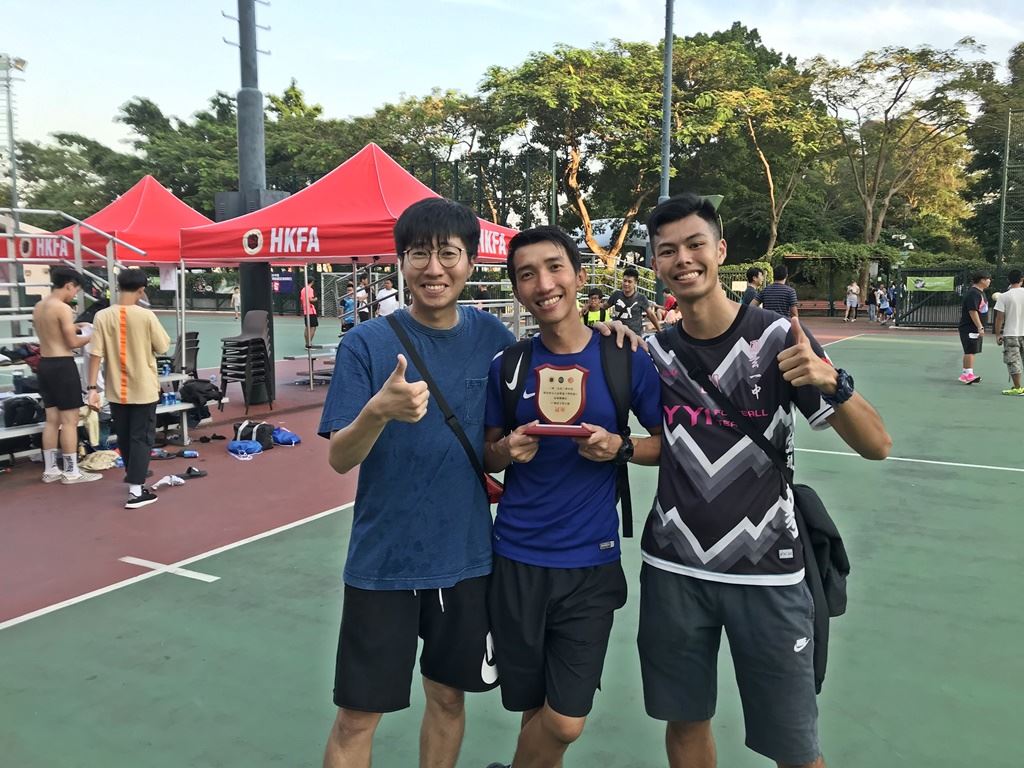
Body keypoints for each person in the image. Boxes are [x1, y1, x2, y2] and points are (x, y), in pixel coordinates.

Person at [641, 193, 891, 768]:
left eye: (695, 245)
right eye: (668, 251)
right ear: (655, 263)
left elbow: (877, 446)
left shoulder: (780, 339)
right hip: (674, 568)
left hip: (769, 572)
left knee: (795, 747)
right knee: (685, 723)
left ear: (720, 250)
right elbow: (666, 442)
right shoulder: (654, 353)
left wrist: (832, 383)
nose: (683, 259)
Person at [317, 198, 516, 768]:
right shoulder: (365, 344)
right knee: (357, 717)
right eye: (419, 254)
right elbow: (339, 458)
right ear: (400, 262)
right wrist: (377, 411)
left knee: (448, 699)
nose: (434, 268)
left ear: (470, 262)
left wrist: (615, 334)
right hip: (384, 562)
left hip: (466, 559)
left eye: (448, 254)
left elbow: (497, 444)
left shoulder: (494, 338)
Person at [481, 227, 663, 768]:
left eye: (554, 267)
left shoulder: (624, 358)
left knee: (564, 721)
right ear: (517, 289)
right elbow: (487, 455)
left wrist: (621, 447)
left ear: (580, 277)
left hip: (590, 562)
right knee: (533, 707)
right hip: (516, 558)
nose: (543, 284)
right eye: (527, 274)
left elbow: (667, 445)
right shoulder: (508, 366)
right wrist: (507, 451)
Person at [86, 268, 171, 509]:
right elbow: (163, 346)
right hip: (143, 387)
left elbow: (95, 354)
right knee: (141, 437)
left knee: (124, 435)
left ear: (118, 287)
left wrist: (92, 388)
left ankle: (134, 473)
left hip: (116, 388)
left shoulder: (102, 316)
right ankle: (136, 490)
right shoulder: (146, 316)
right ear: (141, 290)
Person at [32, 266, 101, 485]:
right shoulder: (63, 308)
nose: (74, 295)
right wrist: (92, 336)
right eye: (75, 290)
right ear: (69, 285)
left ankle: (50, 469)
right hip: (62, 365)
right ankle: (72, 472)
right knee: (70, 421)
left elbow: (54, 332)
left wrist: (75, 326)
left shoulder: (40, 306)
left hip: (45, 364)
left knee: (52, 420)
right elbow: (72, 342)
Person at [994, 268, 1024, 395]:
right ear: (1022, 279)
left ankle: (1017, 388)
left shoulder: (1004, 296)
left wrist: (998, 335)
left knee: (1013, 361)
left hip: (1011, 333)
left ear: (1008, 280)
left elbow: (999, 318)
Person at [606, 266, 661, 335]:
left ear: (635, 282)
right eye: (624, 280)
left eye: (629, 282)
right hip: (618, 335)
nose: (626, 284)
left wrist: (659, 330)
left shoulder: (641, 298)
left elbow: (651, 314)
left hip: (635, 336)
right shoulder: (616, 295)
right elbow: (604, 306)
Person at [958, 271, 991, 385]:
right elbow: (972, 311)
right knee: (970, 350)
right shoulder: (974, 293)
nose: (989, 281)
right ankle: (968, 375)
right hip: (970, 327)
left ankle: (965, 374)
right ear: (982, 280)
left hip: (973, 327)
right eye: (988, 279)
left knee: (971, 350)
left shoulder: (980, 293)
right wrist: (979, 326)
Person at [300, 277, 319, 347]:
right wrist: (316, 299)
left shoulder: (303, 289)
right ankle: (309, 344)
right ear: (312, 282)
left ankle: (307, 343)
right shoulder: (310, 289)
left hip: (306, 311)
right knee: (313, 327)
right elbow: (310, 299)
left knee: (307, 327)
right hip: (311, 311)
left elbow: (302, 300)